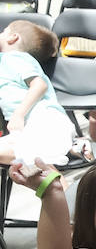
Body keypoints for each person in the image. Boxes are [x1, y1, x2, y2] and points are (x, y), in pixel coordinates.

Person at [0, 21, 74, 166]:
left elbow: (39, 85)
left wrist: (18, 115)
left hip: (45, 120)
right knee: (25, 161)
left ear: (13, 37)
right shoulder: (6, 61)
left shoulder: (16, 58)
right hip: (28, 128)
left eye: (3, 32)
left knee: (37, 162)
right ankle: (73, 149)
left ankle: (60, 182)